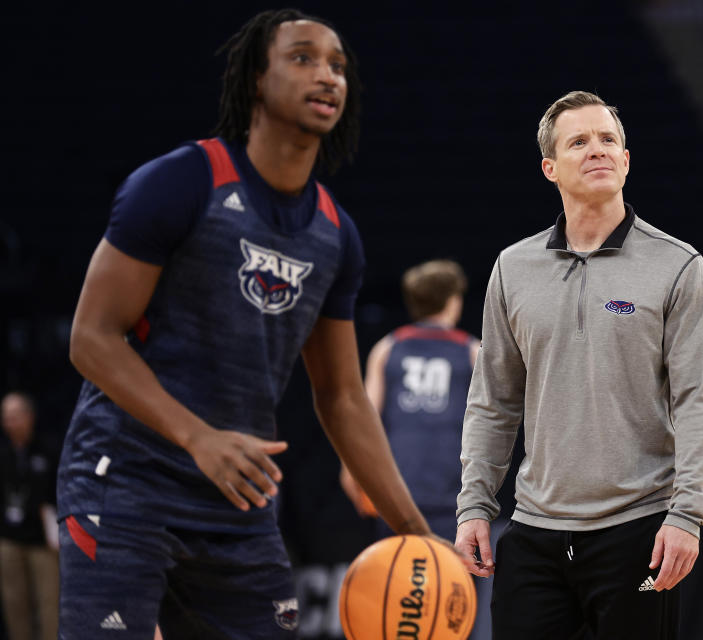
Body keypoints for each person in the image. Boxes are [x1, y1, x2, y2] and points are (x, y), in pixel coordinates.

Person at [57, 9, 445, 639]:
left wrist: (416, 533)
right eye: (302, 58)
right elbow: (91, 338)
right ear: (256, 82)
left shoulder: (335, 234)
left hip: (239, 501)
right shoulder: (180, 182)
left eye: (338, 66)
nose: (327, 76)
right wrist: (198, 438)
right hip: (124, 482)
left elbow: (342, 395)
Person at [454, 91, 703, 639]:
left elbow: (698, 399)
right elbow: (493, 401)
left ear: (626, 161)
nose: (597, 150)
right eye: (579, 141)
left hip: (639, 527)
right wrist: (474, 505)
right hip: (533, 530)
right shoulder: (512, 268)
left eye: (608, 140)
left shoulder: (678, 266)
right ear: (550, 167)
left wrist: (687, 514)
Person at [340, 259, 480, 542]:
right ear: (453, 301)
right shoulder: (471, 351)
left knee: (398, 580)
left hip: (396, 492)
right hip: (455, 493)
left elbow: (364, 420)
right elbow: (494, 422)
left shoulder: (387, 348)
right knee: (455, 583)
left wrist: (349, 470)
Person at [0, 392, 59, 640]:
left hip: (42, 542)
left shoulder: (49, 451)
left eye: (16, 416)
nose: (11, 422)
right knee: (14, 606)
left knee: (49, 607)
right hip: (9, 540)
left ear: (30, 417)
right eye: (6, 417)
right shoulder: (3, 454)